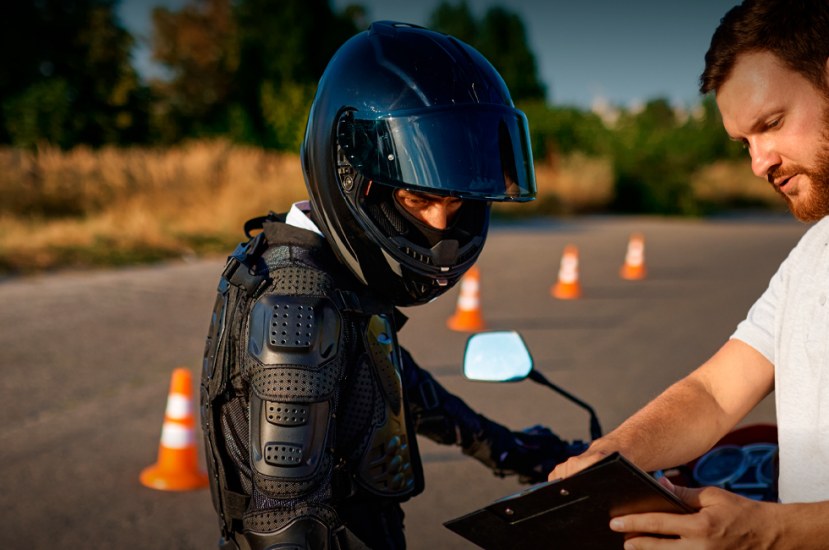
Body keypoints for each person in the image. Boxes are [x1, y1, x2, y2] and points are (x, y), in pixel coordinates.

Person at [200, 21, 574, 550]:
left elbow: (389, 378)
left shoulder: (330, 273)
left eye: (457, 203)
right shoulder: (298, 308)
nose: (441, 229)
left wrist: (510, 448)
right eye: (418, 201)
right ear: (356, 176)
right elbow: (283, 526)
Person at [548, 0, 829, 547]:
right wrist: (612, 455)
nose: (758, 163)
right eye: (744, 142)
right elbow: (715, 392)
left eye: (771, 123)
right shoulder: (813, 254)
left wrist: (770, 533)